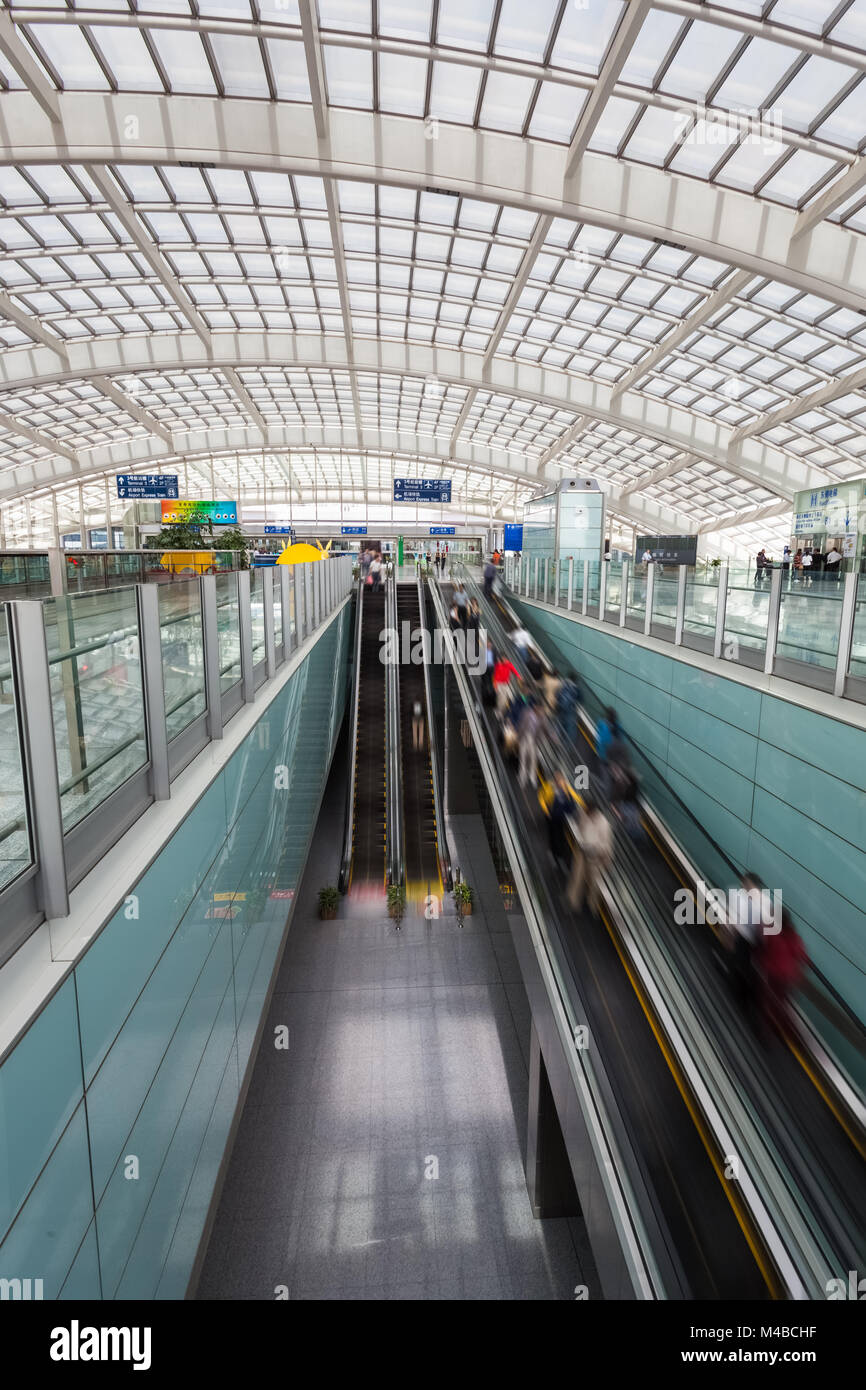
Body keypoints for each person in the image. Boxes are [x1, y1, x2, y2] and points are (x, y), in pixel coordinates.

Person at [756, 908, 807, 1040]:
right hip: (789, 977)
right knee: (782, 1003)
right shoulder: (794, 936)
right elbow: (802, 956)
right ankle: (790, 1033)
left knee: (768, 1002)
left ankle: (765, 1032)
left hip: (774, 974)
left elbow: (763, 945)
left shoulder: (772, 932)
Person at [727, 871, 765, 1023]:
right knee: (745, 968)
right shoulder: (743, 897)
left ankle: (744, 998)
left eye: (746, 883)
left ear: (753, 885)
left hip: (750, 943)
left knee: (744, 969)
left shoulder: (761, 902)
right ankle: (745, 996)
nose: (743, 885)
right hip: (746, 940)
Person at [567, 796, 613, 916]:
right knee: (577, 878)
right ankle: (573, 903)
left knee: (594, 884)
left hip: (596, 859)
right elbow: (579, 828)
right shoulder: (584, 814)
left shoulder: (604, 824)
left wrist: (594, 848)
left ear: (593, 811)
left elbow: (607, 847)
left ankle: (592, 907)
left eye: (586, 810)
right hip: (582, 853)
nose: (584, 811)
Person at [547, 770, 573, 872]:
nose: (559, 781)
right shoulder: (551, 788)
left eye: (560, 779)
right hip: (552, 817)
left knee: (561, 837)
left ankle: (559, 857)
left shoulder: (565, 791)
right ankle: (553, 854)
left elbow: (571, 806)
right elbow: (547, 801)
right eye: (557, 779)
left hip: (561, 819)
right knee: (553, 836)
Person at [517, 697, 542, 792]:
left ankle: (532, 778)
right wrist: (519, 738)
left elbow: (546, 729)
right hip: (525, 738)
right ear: (535, 707)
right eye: (539, 708)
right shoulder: (526, 713)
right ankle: (522, 777)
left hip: (534, 740)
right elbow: (521, 725)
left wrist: (555, 738)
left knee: (533, 759)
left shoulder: (542, 717)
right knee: (523, 758)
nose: (540, 711)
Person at [556, 670, 582, 746]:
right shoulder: (576, 689)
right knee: (570, 731)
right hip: (570, 711)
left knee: (560, 724)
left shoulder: (563, 683)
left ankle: (556, 741)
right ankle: (566, 747)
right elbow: (581, 699)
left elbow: (557, 694)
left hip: (561, 708)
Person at [492, 653, 521, 718]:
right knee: (502, 698)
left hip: (506, 684)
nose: (504, 660)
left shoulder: (509, 664)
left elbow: (514, 671)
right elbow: (495, 676)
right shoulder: (498, 665)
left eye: (505, 659)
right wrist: (495, 685)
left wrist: (519, 677)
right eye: (503, 659)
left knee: (511, 698)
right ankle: (498, 711)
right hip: (499, 684)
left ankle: (502, 711)